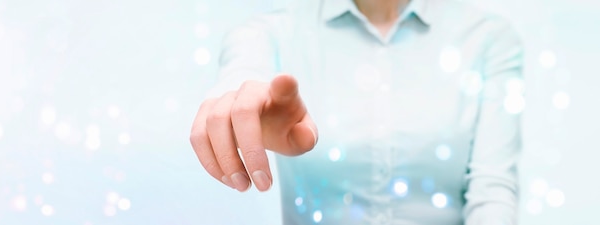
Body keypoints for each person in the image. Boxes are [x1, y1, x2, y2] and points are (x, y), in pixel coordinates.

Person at [189, 0, 523, 224]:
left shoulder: (487, 38)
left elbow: (491, 189)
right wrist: (235, 103)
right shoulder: (272, 34)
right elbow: (242, 73)